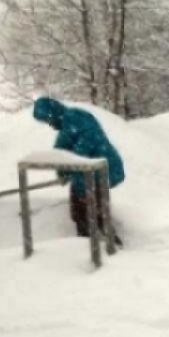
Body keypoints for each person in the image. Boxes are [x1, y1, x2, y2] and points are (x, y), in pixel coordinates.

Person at [33, 97, 125, 242]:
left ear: (53, 113)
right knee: (82, 212)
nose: (49, 125)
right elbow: (62, 148)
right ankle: (88, 244)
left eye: (48, 120)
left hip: (100, 169)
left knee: (94, 212)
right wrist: (62, 170)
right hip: (90, 171)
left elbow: (84, 147)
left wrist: (71, 171)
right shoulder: (68, 122)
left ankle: (109, 247)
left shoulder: (74, 117)